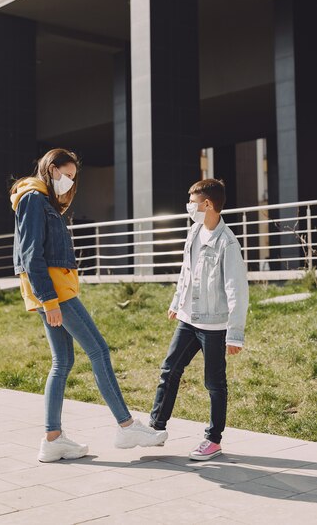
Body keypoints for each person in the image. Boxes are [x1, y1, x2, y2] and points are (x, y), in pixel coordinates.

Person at [11, 148, 167, 463]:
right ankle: (125, 426)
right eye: (66, 174)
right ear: (51, 170)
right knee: (98, 350)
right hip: (55, 292)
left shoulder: (42, 201)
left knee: (62, 362)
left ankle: (53, 439)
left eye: (73, 176)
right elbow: (31, 255)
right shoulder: (33, 198)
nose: (69, 181)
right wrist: (49, 300)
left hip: (54, 291)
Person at [149, 178, 249, 461]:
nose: (189, 206)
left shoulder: (227, 243)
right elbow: (187, 272)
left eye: (192, 202)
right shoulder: (193, 231)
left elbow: (236, 289)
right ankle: (156, 428)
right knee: (169, 370)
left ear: (207, 205)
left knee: (214, 383)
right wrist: (176, 302)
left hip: (215, 326)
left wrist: (235, 333)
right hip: (188, 319)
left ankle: (213, 439)